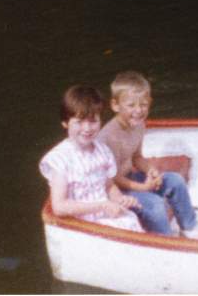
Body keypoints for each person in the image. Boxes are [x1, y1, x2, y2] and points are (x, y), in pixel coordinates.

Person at [97, 71, 197, 235]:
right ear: (115, 105)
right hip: (114, 190)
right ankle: (164, 242)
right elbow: (112, 178)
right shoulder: (109, 137)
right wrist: (143, 187)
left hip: (130, 179)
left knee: (176, 181)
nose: (138, 111)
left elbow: (137, 157)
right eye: (131, 105)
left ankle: (190, 227)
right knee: (155, 204)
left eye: (143, 105)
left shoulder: (138, 124)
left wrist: (152, 170)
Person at [39, 84, 144, 232]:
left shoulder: (103, 151)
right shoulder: (60, 159)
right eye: (79, 122)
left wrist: (120, 199)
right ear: (65, 123)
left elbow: (109, 186)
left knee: (130, 220)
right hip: (80, 226)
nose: (87, 128)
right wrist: (101, 205)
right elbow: (59, 207)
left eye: (93, 121)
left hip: (105, 216)